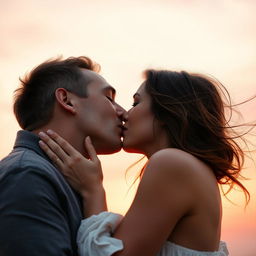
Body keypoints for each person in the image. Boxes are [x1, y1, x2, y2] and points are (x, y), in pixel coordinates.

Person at [39, 69, 255, 256]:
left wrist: (93, 189)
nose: (123, 113)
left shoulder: (172, 163)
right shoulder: (188, 168)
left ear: (166, 111)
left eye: (136, 102)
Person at [0, 56, 126, 255]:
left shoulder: (62, 178)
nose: (122, 112)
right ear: (67, 100)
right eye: (109, 98)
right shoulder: (27, 175)